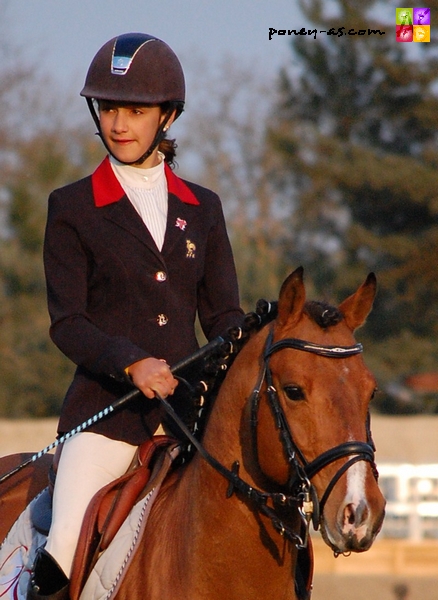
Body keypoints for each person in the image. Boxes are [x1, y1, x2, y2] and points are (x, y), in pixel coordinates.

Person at [28, 32, 244, 599]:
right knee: (61, 545)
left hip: (191, 417)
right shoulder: (72, 207)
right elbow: (67, 321)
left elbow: (223, 315)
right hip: (108, 416)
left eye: (137, 110)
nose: (120, 123)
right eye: (110, 108)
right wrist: (132, 364)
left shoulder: (204, 209)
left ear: (168, 115)